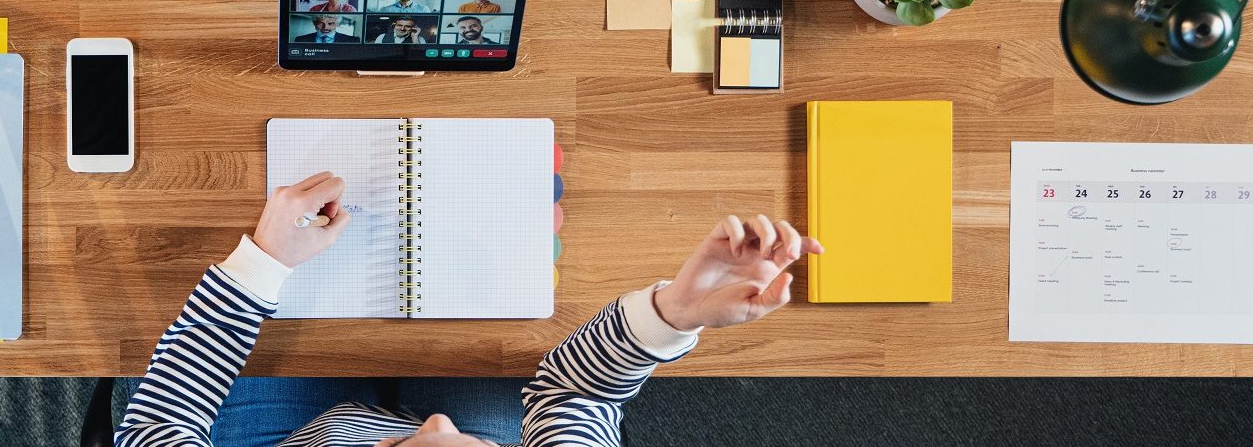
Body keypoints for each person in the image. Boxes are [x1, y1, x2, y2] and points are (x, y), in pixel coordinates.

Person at [115, 172, 821, 446]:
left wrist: (264, 259)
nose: (439, 421)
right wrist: (674, 312)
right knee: (496, 381)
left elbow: (159, 422)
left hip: (298, 436)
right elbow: (570, 391)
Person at [293, 14, 358, 44]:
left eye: (330, 23)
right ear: (314, 23)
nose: (325, 27)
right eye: (321, 23)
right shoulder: (300, 40)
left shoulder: (352, 41)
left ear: (337, 24)